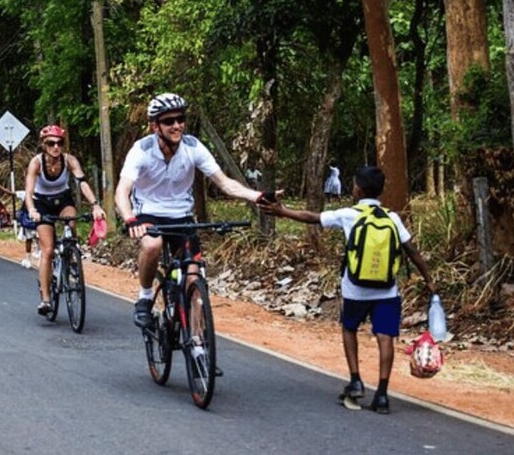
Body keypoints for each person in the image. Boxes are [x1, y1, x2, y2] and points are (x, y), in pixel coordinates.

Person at [260, 166, 437, 414]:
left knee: (349, 328)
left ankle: (355, 380)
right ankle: (383, 394)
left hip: (355, 289)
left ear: (357, 189)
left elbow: (313, 217)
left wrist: (282, 211)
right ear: (381, 190)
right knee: (385, 337)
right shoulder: (392, 218)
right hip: (387, 290)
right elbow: (413, 252)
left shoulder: (348, 214)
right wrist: (429, 279)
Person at [115, 93, 269, 329]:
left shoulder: (193, 146)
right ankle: (145, 296)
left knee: (193, 279)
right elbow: (122, 190)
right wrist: (130, 219)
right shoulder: (142, 150)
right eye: (169, 121)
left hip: (182, 216)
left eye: (180, 119)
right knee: (152, 245)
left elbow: (225, 183)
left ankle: (197, 344)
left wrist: (256, 196)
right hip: (149, 213)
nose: (177, 125)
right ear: (155, 126)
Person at [25, 125, 106, 315]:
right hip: (41, 203)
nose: (56, 147)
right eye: (51, 143)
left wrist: (95, 204)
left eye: (59, 143)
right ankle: (46, 299)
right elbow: (29, 191)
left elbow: (82, 182)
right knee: (47, 249)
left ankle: (71, 254)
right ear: (43, 145)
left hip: (63, 199)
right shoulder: (36, 163)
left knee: (71, 222)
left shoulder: (69, 160)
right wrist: (32, 210)